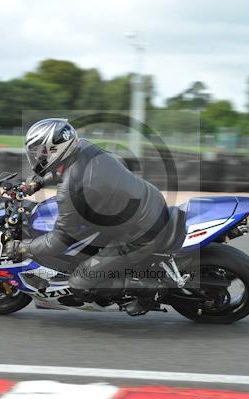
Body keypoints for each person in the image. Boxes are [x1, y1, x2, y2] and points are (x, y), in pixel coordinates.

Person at [9, 118, 169, 315]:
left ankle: (149, 292)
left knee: (79, 283)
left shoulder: (70, 189)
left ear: (56, 149)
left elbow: (59, 240)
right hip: (149, 200)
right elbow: (68, 171)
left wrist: (24, 248)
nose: (37, 156)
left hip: (140, 234)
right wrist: (38, 182)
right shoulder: (84, 147)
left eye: (41, 151)